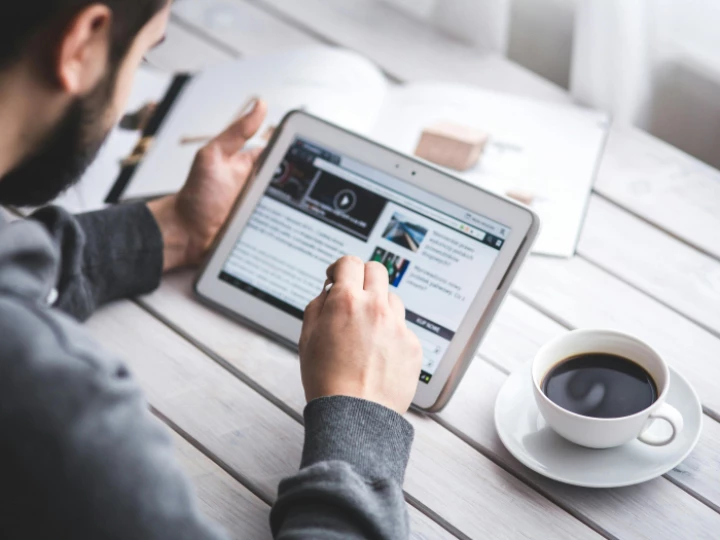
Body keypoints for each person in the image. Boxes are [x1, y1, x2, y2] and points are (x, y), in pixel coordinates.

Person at [0, 1, 423, 539]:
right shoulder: (56, 406)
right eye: (144, 54)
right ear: (84, 42)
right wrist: (360, 415)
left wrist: (173, 227)